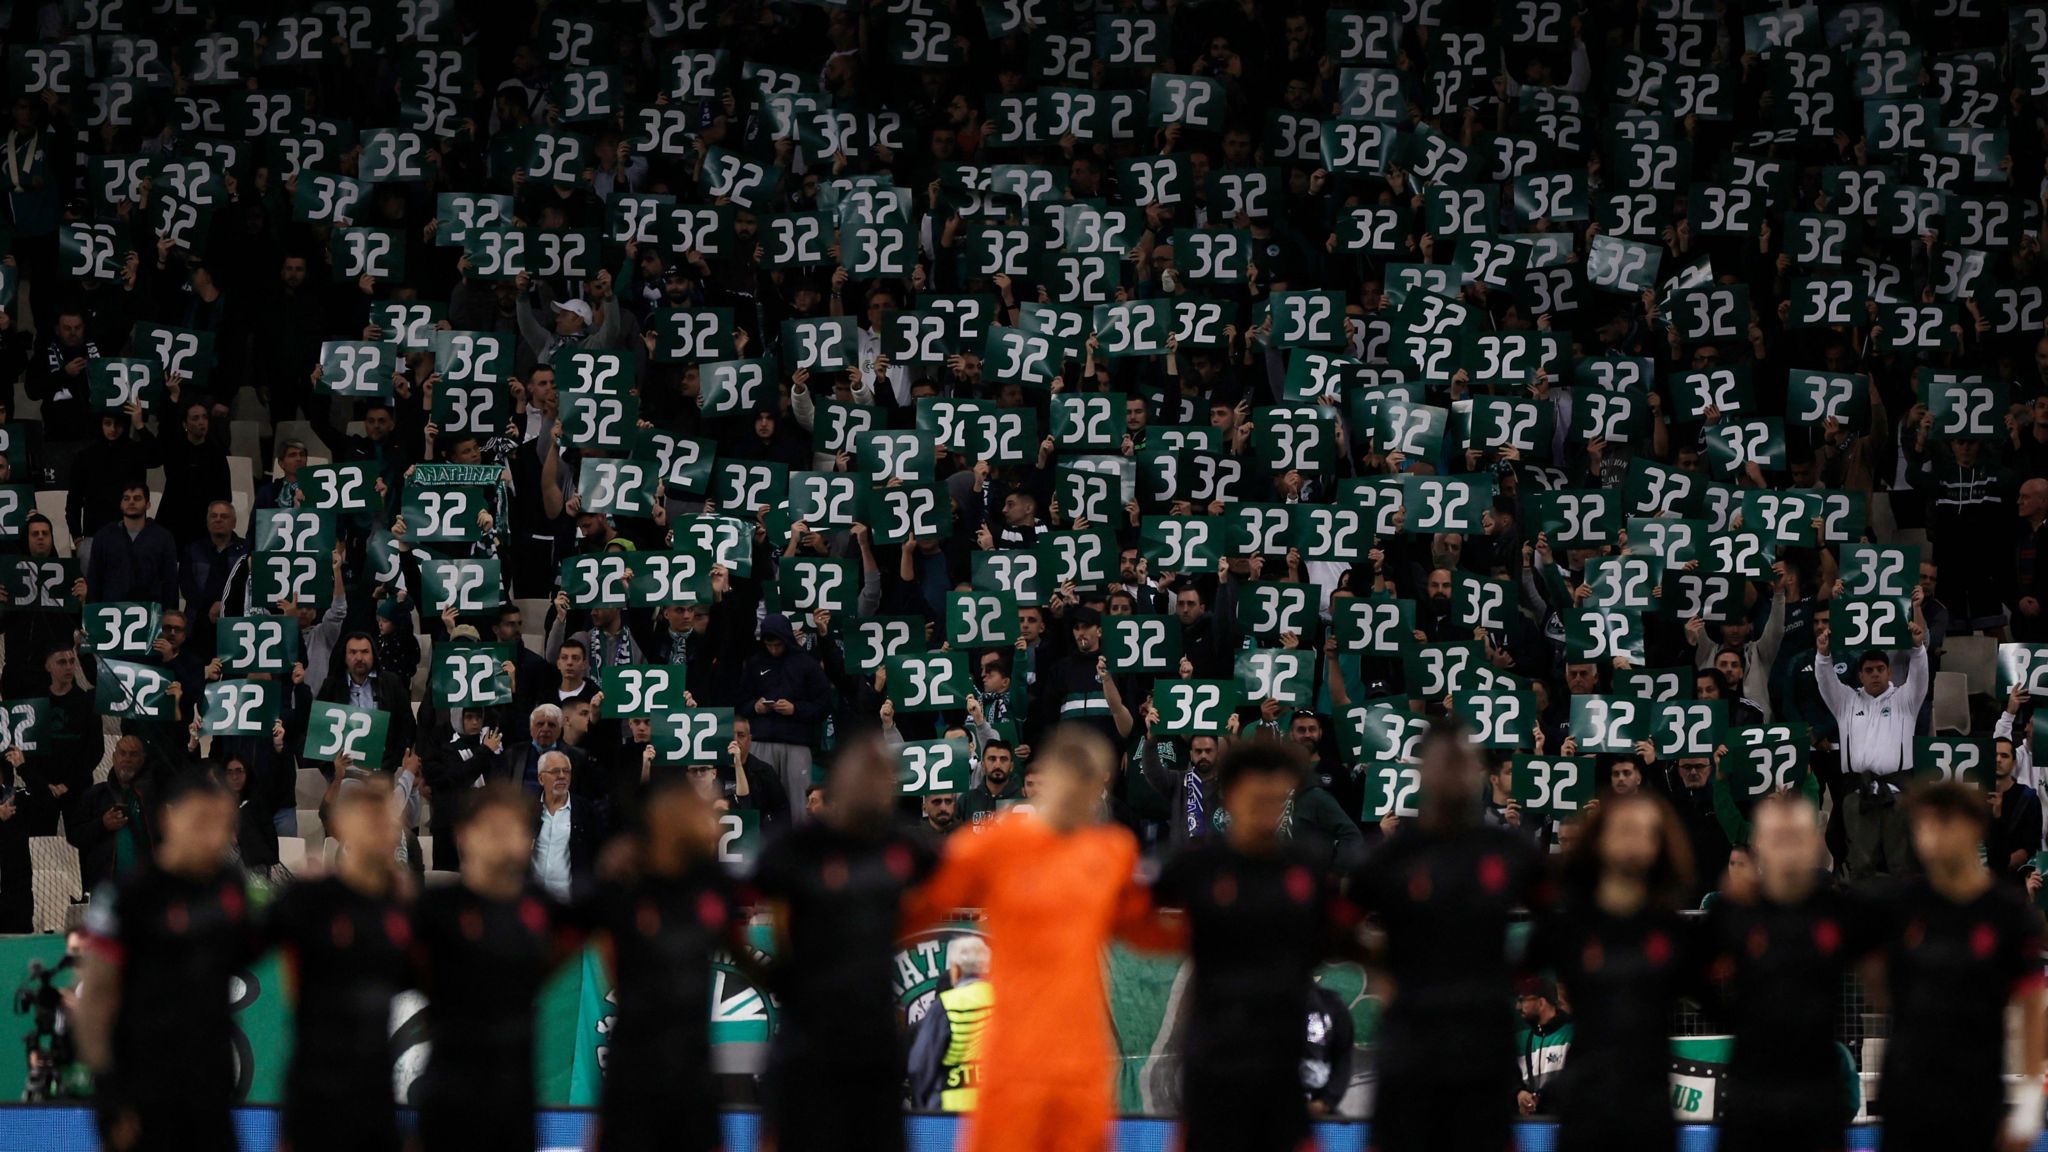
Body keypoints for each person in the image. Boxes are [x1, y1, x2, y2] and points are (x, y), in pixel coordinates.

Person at [903, 726, 1174, 1152]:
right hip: (1013, 1060)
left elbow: (1146, 929)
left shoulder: (1113, 852)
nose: (1079, 794)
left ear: (1100, 786)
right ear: (1046, 777)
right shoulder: (996, 842)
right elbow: (921, 908)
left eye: (1092, 781)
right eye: (1072, 777)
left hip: (1081, 1064)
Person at [1340, 716, 1550, 1152]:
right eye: (1444, 761)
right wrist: (1378, 964)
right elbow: (1336, 922)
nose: (1454, 770)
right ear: (1422, 771)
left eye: (1464, 761)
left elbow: (1558, 915)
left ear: (1476, 772)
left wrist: (1518, 970)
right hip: (1411, 1034)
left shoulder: (1509, 852)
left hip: (1483, 1036)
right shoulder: (1390, 857)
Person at [752, 737, 937, 1152]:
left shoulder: (903, 848)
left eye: (883, 776)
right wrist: (772, 974)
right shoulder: (795, 848)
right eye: (865, 772)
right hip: (807, 1042)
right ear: (840, 781)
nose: (873, 785)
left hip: (873, 1045)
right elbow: (729, 907)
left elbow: (952, 883)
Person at [1150, 738, 1335, 1152]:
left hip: (1282, 1060)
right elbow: (1133, 912)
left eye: (1276, 800)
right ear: (1231, 797)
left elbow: (1332, 938)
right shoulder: (1196, 865)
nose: (1267, 812)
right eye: (1257, 800)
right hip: (1214, 1057)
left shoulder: (1308, 864)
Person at [74, 772, 254, 1152]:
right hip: (143, 1092)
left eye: (223, 823)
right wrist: (109, 1097)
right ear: (170, 818)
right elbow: (94, 1000)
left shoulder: (229, 887)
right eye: (203, 820)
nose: (216, 835)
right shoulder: (127, 895)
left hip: (211, 1091)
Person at [1872, 782, 2047, 1152]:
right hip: (1906, 1096)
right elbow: (1875, 977)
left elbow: (2032, 1005)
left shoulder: (2008, 911)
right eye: (1923, 825)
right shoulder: (1901, 905)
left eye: (1942, 823)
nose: (1930, 835)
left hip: (1975, 1097)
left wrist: (2031, 1100)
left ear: (1973, 827)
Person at [576, 776, 743, 1152]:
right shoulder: (619, 886)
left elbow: (747, 948)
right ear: (666, 817)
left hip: (694, 1071)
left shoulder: (714, 884)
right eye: (702, 809)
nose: (715, 819)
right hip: (635, 1072)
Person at [1704, 793, 1878, 1152]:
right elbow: (1690, 977)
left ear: (1814, 844)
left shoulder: (1841, 913)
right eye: (1778, 837)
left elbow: (1885, 974)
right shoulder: (1732, 916)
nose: (1787, 848)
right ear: (1760, 843)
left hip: (1818, 1100)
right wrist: (1727, 1016)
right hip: (1751, 1098)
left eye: (1795, 837)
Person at [409, 783, 575, 1152]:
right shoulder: (435, 909)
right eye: (492, 828)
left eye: (513, 828)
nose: (503, 840)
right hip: (452, 1086)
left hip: (516, 1090)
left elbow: (565, 955)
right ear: (464, 836)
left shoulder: (544, 909)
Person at [1525, 793, 1696, 1151]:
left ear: (1658, 844)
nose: (1634, 840)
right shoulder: (1568, 925)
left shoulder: (1673, 931)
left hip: (1649, 1109)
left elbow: (1721, 1000)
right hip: (1584, 1106)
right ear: (1601, 838)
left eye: (1645, 831)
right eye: (1624, 829)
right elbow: (1507, 979)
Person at [264, 775, 412, 1152]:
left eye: (387, 818)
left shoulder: (406, 909)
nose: (381, 827)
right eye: (369, 817)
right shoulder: (308, 900)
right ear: (343, 825)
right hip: (315, 1088)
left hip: (376, 1090)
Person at [1812, 598, 1930, 880]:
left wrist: (1917, 648)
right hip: (1857, 792)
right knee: (1860, 865)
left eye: (1880, 669)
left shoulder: (1905, 699)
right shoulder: (1846, 703)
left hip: (1898, 791)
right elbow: (1826, 681)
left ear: (1889, 672)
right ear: (1860, 675)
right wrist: (1823, 655)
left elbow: (1920, 676)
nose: (1875, 674)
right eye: (1869, 670)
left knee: (1901, 864)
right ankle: (1859, 920)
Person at [905, 935, 994, 1112]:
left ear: (956, 970)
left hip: (949, 1113)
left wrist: (924, 1107)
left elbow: (920, 1065)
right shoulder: (1004, 1003)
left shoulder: (945, 1005)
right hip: (994, 1113)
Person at [68, 735, 157, 892]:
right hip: (105, 886)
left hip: (146, 886)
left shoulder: (153, 796)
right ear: (114, 757)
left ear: (143, 759)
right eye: (122, 753)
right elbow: (75, 835)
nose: (127, 759)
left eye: (133, 754)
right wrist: (102, 824)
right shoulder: (95, 795)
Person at [86, 483, 179, 606]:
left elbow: (170, 582)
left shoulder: (163, 537)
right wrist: (94, 613)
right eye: (126, 498)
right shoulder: (104, 536)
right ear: (121, 504)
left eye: (137, 498)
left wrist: (169, 616)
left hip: (152, 612)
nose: (131, 502)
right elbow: (94, 579)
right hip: (111, 611)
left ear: (148, 504)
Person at [531, 751, 605, 899]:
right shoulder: (529, 809)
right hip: (533, 901)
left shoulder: (585, 811)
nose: (562, 776)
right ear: (541, 778)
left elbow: (598, 855)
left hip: (570, 900)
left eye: (566, 771)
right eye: (555, 771)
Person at [1512, 978, 1572, 1116]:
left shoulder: (1571, 1035)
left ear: (1540, 1003)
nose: (1517, 1007)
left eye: (1522, 1000)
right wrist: (1519, 1094)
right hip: (1531, 1127)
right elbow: (1510, 1080)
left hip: (1566, 1126)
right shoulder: (1520, 1040)